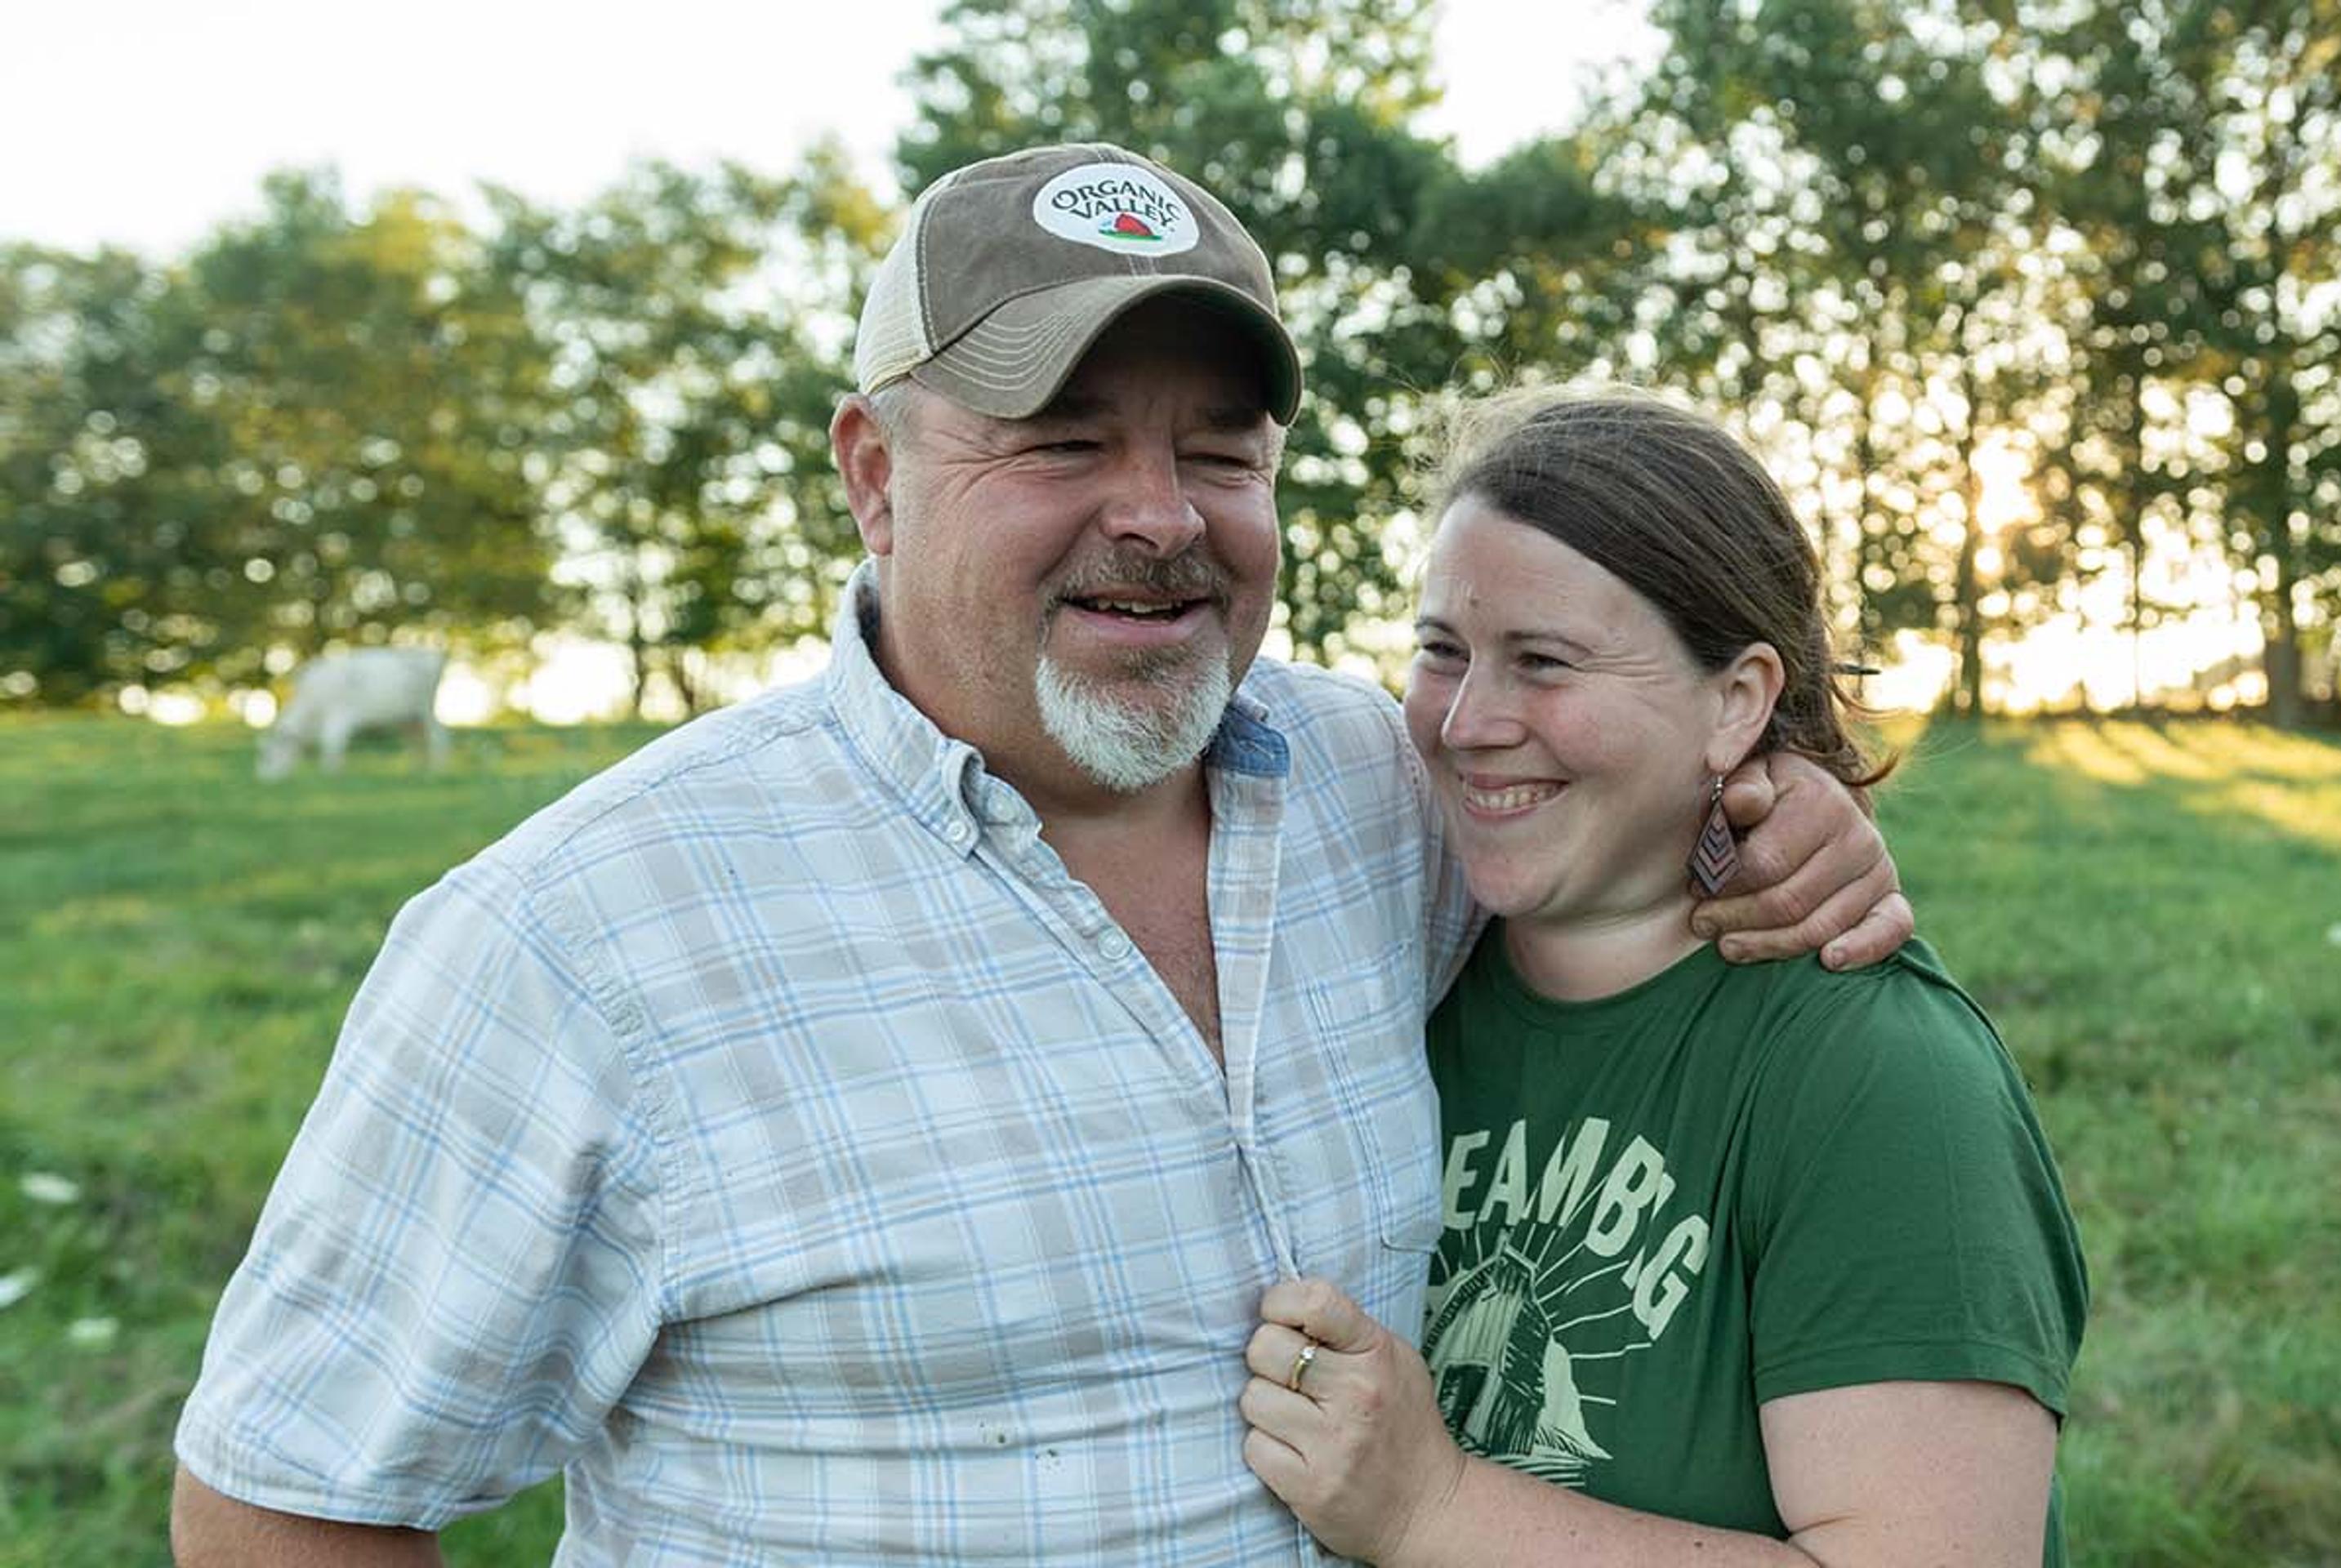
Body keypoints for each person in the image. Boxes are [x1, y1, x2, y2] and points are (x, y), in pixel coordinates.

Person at [168, 145, 1911, 1566]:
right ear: (873, 473)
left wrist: (1774, 815)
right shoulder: (579, 941)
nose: (1157, 515)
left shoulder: (1389, 793)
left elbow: (1627, 828)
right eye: (1063, 441)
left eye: (1217, 452)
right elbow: (281, 1499)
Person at [1232, 388, 2087, 1566]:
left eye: (1544, 661)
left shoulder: (1881, 1080)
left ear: (1737, 702)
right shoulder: (1388, 973)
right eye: (1442, 651)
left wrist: (1433, 1507)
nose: (1469, 720)